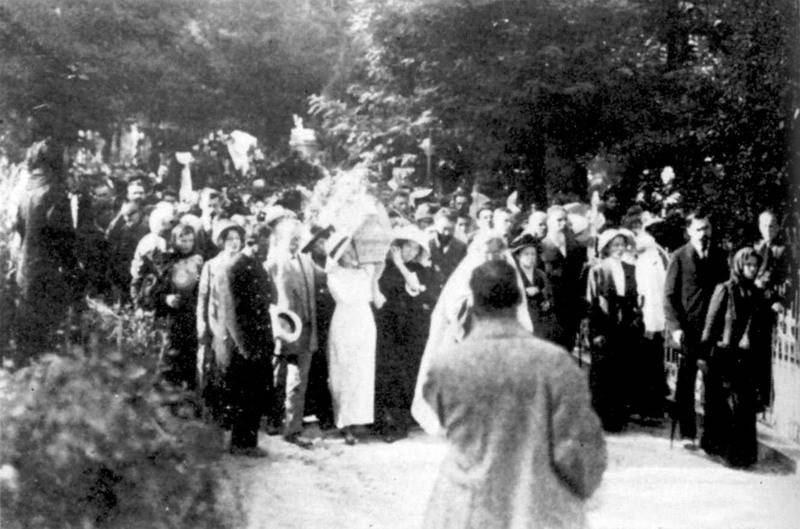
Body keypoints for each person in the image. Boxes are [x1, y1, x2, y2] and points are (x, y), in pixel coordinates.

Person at [421, 260, 606, 529]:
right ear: (519, 299)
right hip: (540, 507)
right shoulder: (555, 362)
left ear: (473, 302)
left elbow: (441, 418)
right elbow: (578, 446)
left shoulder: (446, 366)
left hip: (469, 508)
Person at [197, 220, 273, 455]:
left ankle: (243, 441)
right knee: (227, 387)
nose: (234, 243)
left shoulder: (252, 264)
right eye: (229, 239)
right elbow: (215, 305)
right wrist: (209, 333)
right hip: (228, 336)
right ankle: (230, 440)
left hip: (249, 336)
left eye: (236, 239)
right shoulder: (221, 266)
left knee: (247, 389)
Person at [664, 209, 729, 448]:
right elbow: (669, 296)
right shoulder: (679, 257)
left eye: (707, 228)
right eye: (698, 229)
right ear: (690, 231)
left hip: (711, 330)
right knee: (686, 381)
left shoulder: (720, 257)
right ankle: (687, 434)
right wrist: (676, 328)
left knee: (713, 382)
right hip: (688, 329)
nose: (703, 234)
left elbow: (725, 291)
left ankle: (711, 437)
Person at [700, 247, 770, 468]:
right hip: (725, 356)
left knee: (745, 406)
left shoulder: (758, 294)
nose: (752, 269)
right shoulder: (726, 290)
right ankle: (727, 452)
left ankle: (743, 456)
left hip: (748, 359)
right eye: (748, 265)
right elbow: (710, 326)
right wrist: (704, 356)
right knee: (728, 405)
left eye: (755, 265)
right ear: (740, 265)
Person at [14, 132, 80, 361]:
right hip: (49, 273)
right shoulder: (55, 193)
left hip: (27, 269)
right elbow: (64, 237)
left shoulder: (26, 192)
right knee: (48, 339)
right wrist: (74, 268)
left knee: (28, 335)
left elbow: (20, 229)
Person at [375, 225, 436, 441]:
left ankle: (401, 422)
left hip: (410, 327)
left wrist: (401, 264)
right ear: (397, 247)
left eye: (414, 248)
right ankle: (384, 422)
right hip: (387, 324)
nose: (410, 251)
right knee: (387, 372)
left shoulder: (418, 270)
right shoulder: (383, 267)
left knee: (405, 373)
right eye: (406, 247)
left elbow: (417, 288)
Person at [266, 218, 323, 448]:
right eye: (291, 239)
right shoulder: (272, 263)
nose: (295, 243)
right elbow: (265, 297)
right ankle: (273, 421)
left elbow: (327, 276)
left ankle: (292, 428)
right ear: (280, 239)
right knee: (278, 378)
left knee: (299, 381)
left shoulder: (307, 261)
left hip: (307, 331)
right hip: (284, 330)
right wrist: (276, 323)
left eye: (299, 239)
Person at [325, 234, 384, 445]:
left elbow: (379, 260)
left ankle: (359, 419)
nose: (351, 255)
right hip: (345, 320)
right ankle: (344, 422)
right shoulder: (334, 273)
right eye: (346, 252)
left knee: (362, 372)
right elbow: (346, 296)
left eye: (352, 250)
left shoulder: (365, 271)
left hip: (364, 322)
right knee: (344, 372)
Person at [585, 229, 644, 432]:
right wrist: (596, 332)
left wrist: (636, 317)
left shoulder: (630, 268)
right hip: (604, 322)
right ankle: (599, 417)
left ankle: (618, 417)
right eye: (615, 245)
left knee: (622, 370)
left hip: (624, 324)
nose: (619, 249)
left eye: (622, 245)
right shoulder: (598, 270)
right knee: (603, 372)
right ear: (607, 248)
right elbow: (593, 303)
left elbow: (634, 297)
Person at [152, 223, 204, 390]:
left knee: (191, 364)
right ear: (174, 240)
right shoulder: (166, 262)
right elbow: (153, 294)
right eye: (182, 240)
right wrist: (166, 299)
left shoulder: (199, 262)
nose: (186, 244)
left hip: (193, 319)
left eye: (190, 240)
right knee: (170, 362)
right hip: (173, 321)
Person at [752, 210, 794, 411]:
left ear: (777, 228)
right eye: (764, 225)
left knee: (763, 350)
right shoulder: (755, 247)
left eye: (771, 226)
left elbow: (789, 281)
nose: (767, 230)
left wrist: (778, 299)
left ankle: (763, 399)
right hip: (750, 304)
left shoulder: (782, 251)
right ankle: (749, 393)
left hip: (767, 307)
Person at [539, 205, 588, 350]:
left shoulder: (576, 246)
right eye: (559, 219)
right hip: (552, 303)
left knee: (569, 343)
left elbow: (580, 274)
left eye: (565, 219)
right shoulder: (541, 247)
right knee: (553, 345)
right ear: (549, 222)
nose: (563, 223)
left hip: (571, 302)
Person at [510, 233, 556, 341]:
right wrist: (524, 292)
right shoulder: (514, 275)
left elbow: (549, 295)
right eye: (526, 254)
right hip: (521, 323)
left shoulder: (540, 274)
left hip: (540, 322)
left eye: (533, 254)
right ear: (518, 256)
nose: (530, 257)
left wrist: (547, 302)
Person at [428, 207, 468, 299]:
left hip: (451, 294)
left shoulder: (461, 247)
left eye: (451, 229)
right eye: (444, 228)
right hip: (429, 294)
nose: (447, 233)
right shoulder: (427, 243)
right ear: (435, 225)